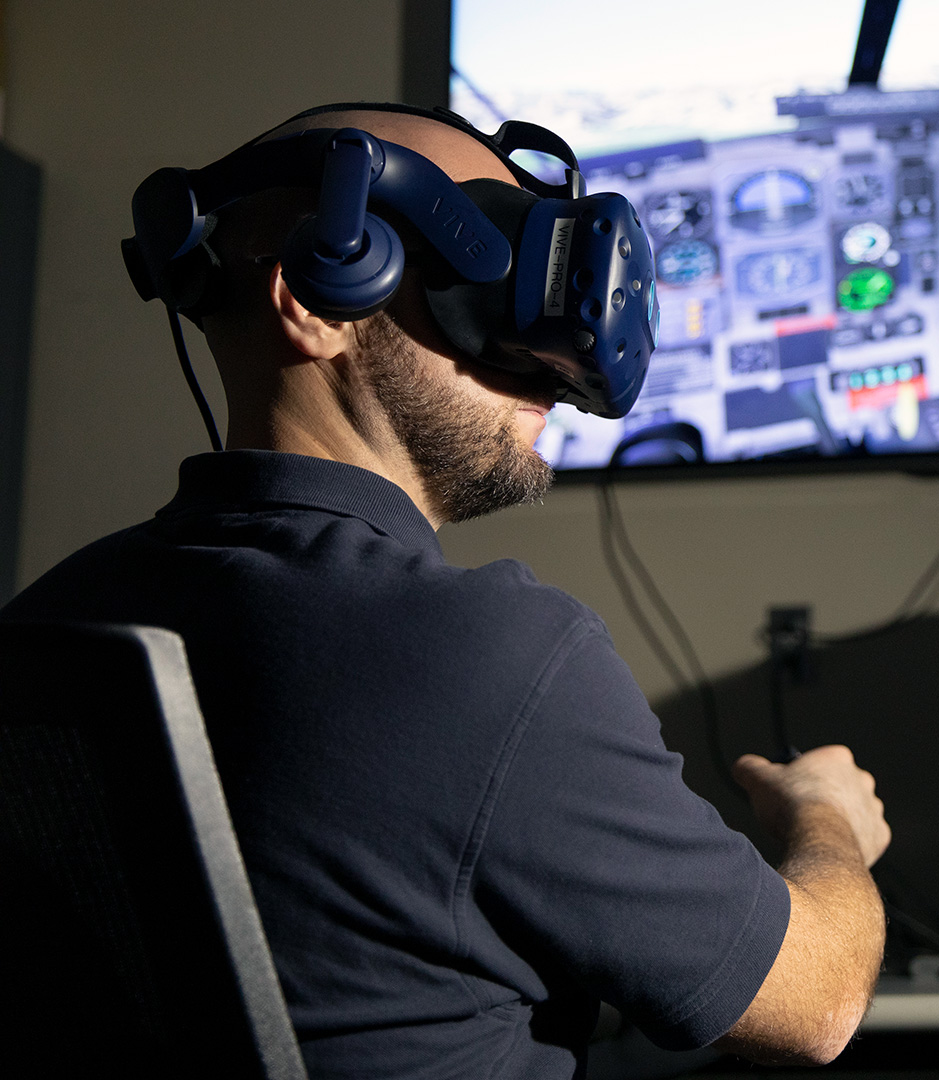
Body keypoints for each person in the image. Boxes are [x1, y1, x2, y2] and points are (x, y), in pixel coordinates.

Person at [0, 104, 889, 1077]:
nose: (555, 358)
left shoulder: (47, 625)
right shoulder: (494, 656)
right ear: (319, 295)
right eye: (495, 277)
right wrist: (826, 819)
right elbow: (816, 1002)